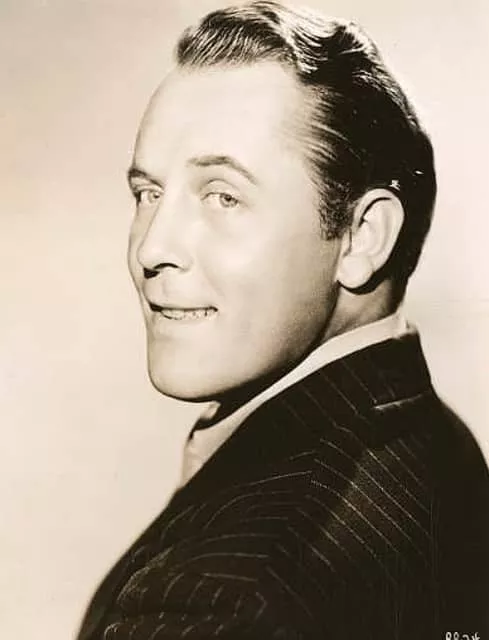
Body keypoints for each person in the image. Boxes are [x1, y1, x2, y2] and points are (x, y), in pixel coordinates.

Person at [77, 2, 489, 638]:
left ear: (362, 236)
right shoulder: (430, 438)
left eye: (223, 196)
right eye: (147, 193)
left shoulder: (223, 599)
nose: (152, 248)